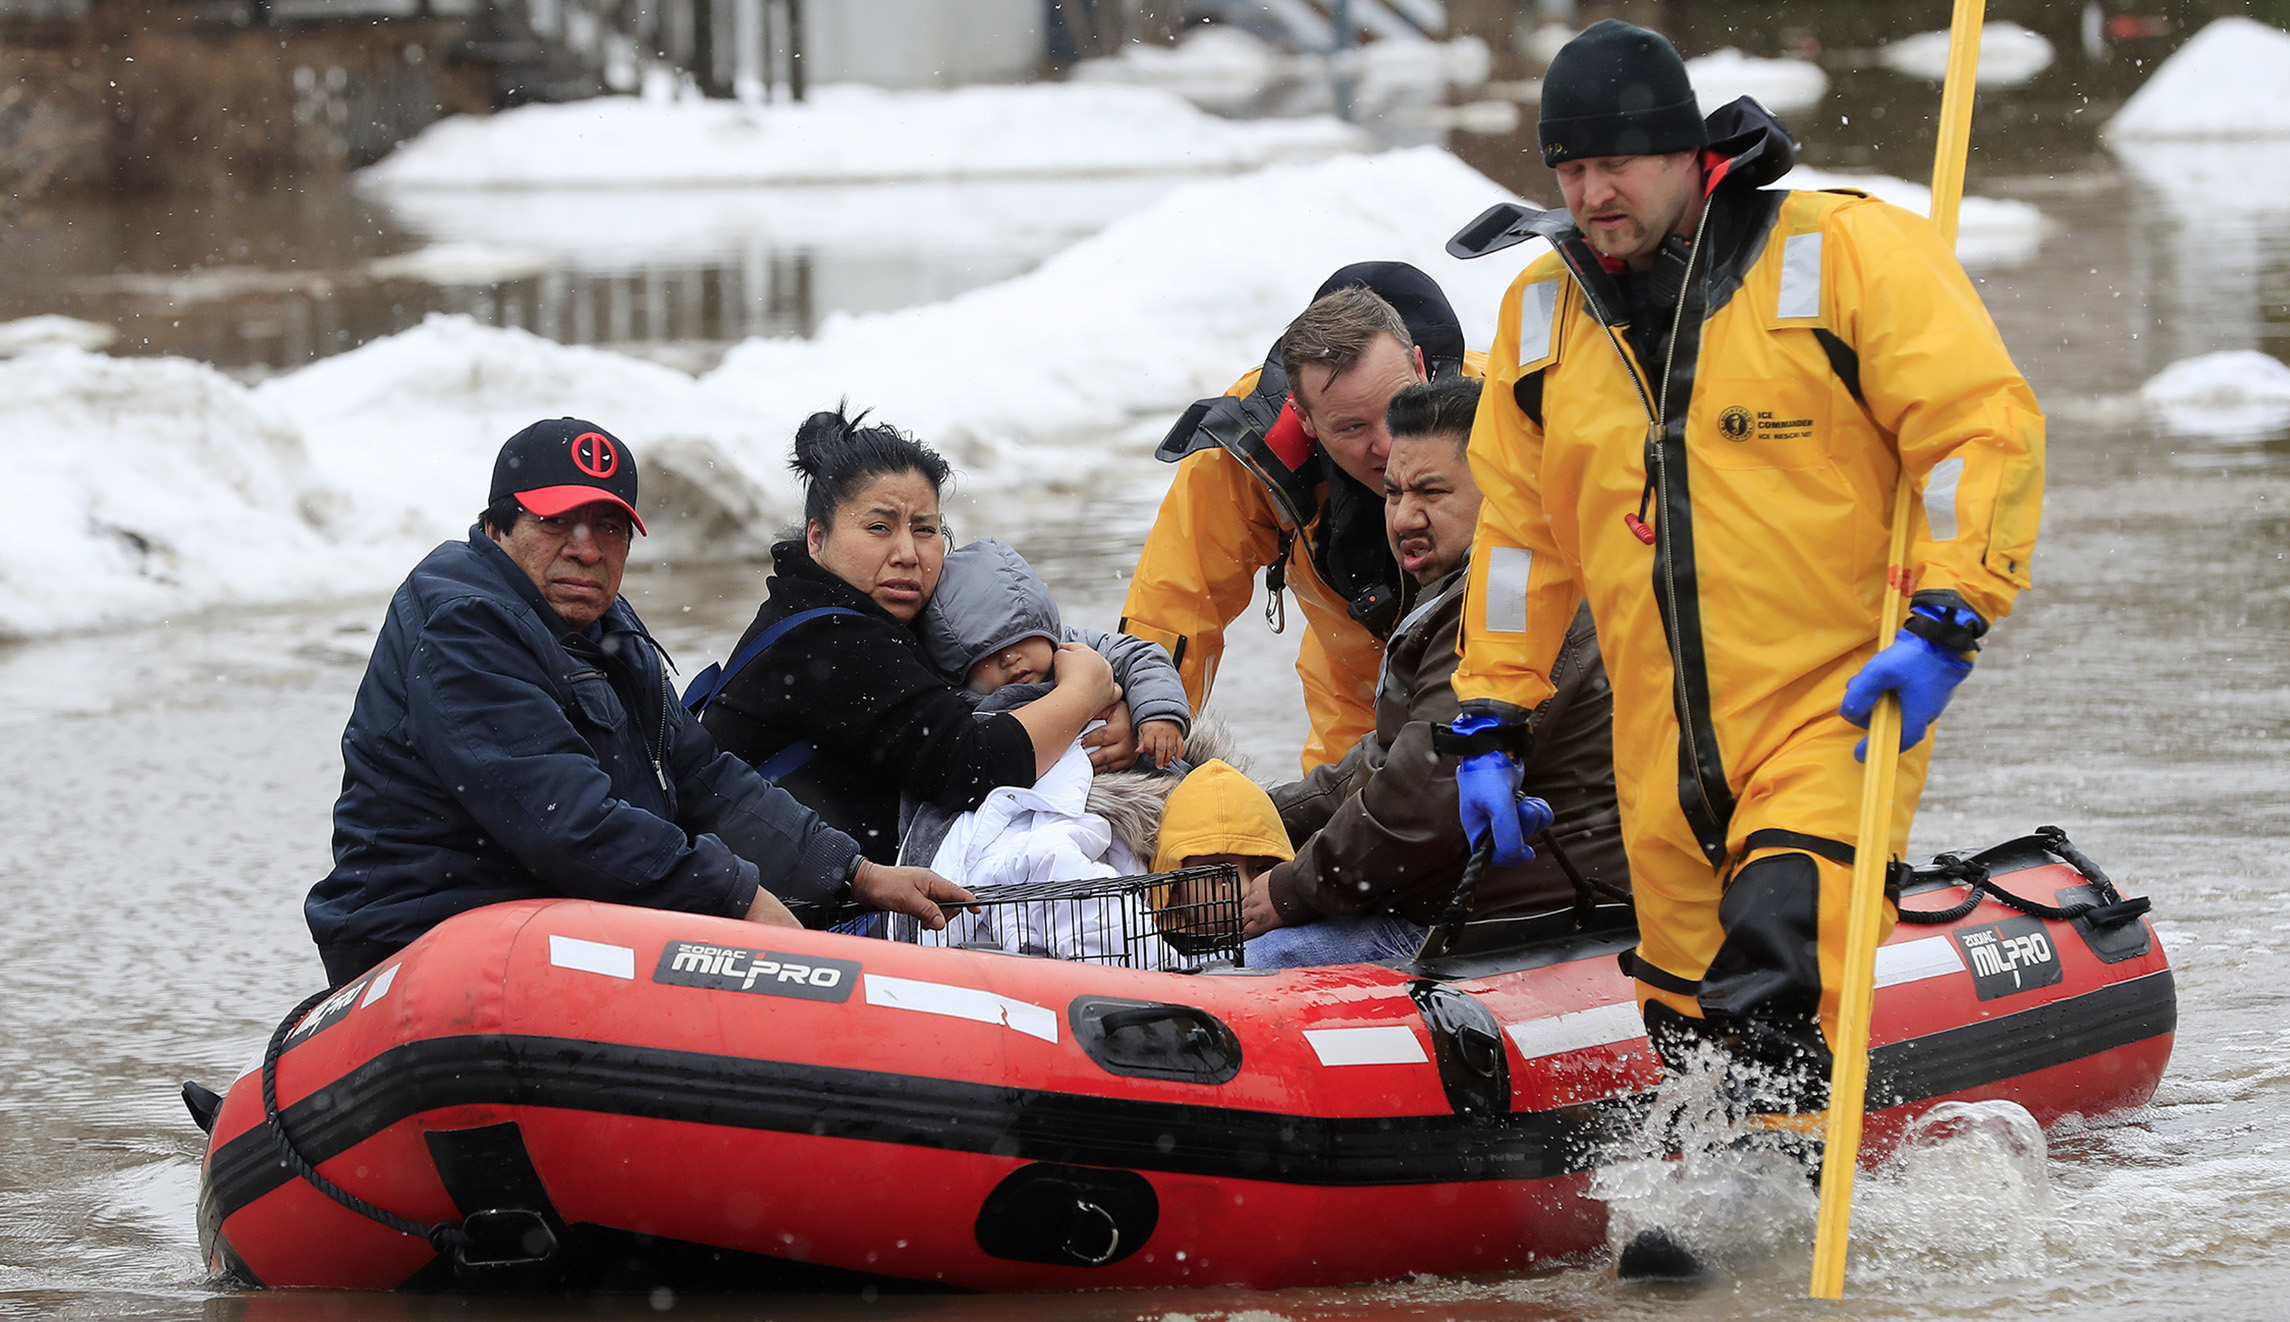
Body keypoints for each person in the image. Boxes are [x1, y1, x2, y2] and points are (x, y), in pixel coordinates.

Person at [1442, 21, 2045, 1119]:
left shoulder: (1841, 254)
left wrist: (1950, 617)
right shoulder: (1541, 317)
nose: (1590, 192)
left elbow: (1977, 433)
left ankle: (1779, 1230)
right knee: (1688, 1023)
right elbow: (1521, 547)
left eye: (1614, 162)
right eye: (1569, 167)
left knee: (1775, 964)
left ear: (1685, 151)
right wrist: (1489, 717)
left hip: (1836, 704)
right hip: (1659, 749)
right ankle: (1756, 1239)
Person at [304, 417, 969, 987]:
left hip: (550, 928)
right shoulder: (463, 626)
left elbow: (702, 777)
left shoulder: (602, 626)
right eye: (557, 521)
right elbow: (568, 822)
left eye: (609, 526)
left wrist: (855, 872)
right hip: (429, 941)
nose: (586, 548)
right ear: (497, 527)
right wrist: (737, 898)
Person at [1242, 378, 1628, 968]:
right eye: (1394, 493)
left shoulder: (1509, 602)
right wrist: (1256, 820)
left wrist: (1291, 890)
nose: (1403, 517)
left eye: (1431, 491)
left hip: (1528, 925)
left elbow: (1425, 796)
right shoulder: (1459, 591)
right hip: (1478, 908)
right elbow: (1386, 759)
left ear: (1503, 492)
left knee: (1254, 961)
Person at [700, 408, 1123, 864]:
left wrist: (1115, 713)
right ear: (817, 539)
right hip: (768, 913)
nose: (906, 553)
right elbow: (970, 767)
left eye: (925, 529)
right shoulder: (834, 636)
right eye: (879, 527)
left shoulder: (853, 612)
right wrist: (1084, 693)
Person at [1120, 263, 1480, 774]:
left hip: (1499, 665)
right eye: (1352, 426)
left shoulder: (1506, 412)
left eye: (1399, 407)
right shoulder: (1248, 448)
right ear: (1304, 417)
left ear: (1420, 369)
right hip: (1355, 694)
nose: (1387, 443)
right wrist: (1143, 733)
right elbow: (1173, 607)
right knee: (1344, 828)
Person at [919, 536, 1190, 769]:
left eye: (1020, 639)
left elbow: (1141, 657)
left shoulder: (1077, 650)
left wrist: (1157, 715)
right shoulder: (957, 709)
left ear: (1042, 622)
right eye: (988, 654)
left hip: (1128, 778)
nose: (1010, 658)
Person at [1149, 758, 1294, 945]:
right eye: (1219, 873)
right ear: (1174, 891)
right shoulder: (1151, 958)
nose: (1245, 890)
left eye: (1261, 869)